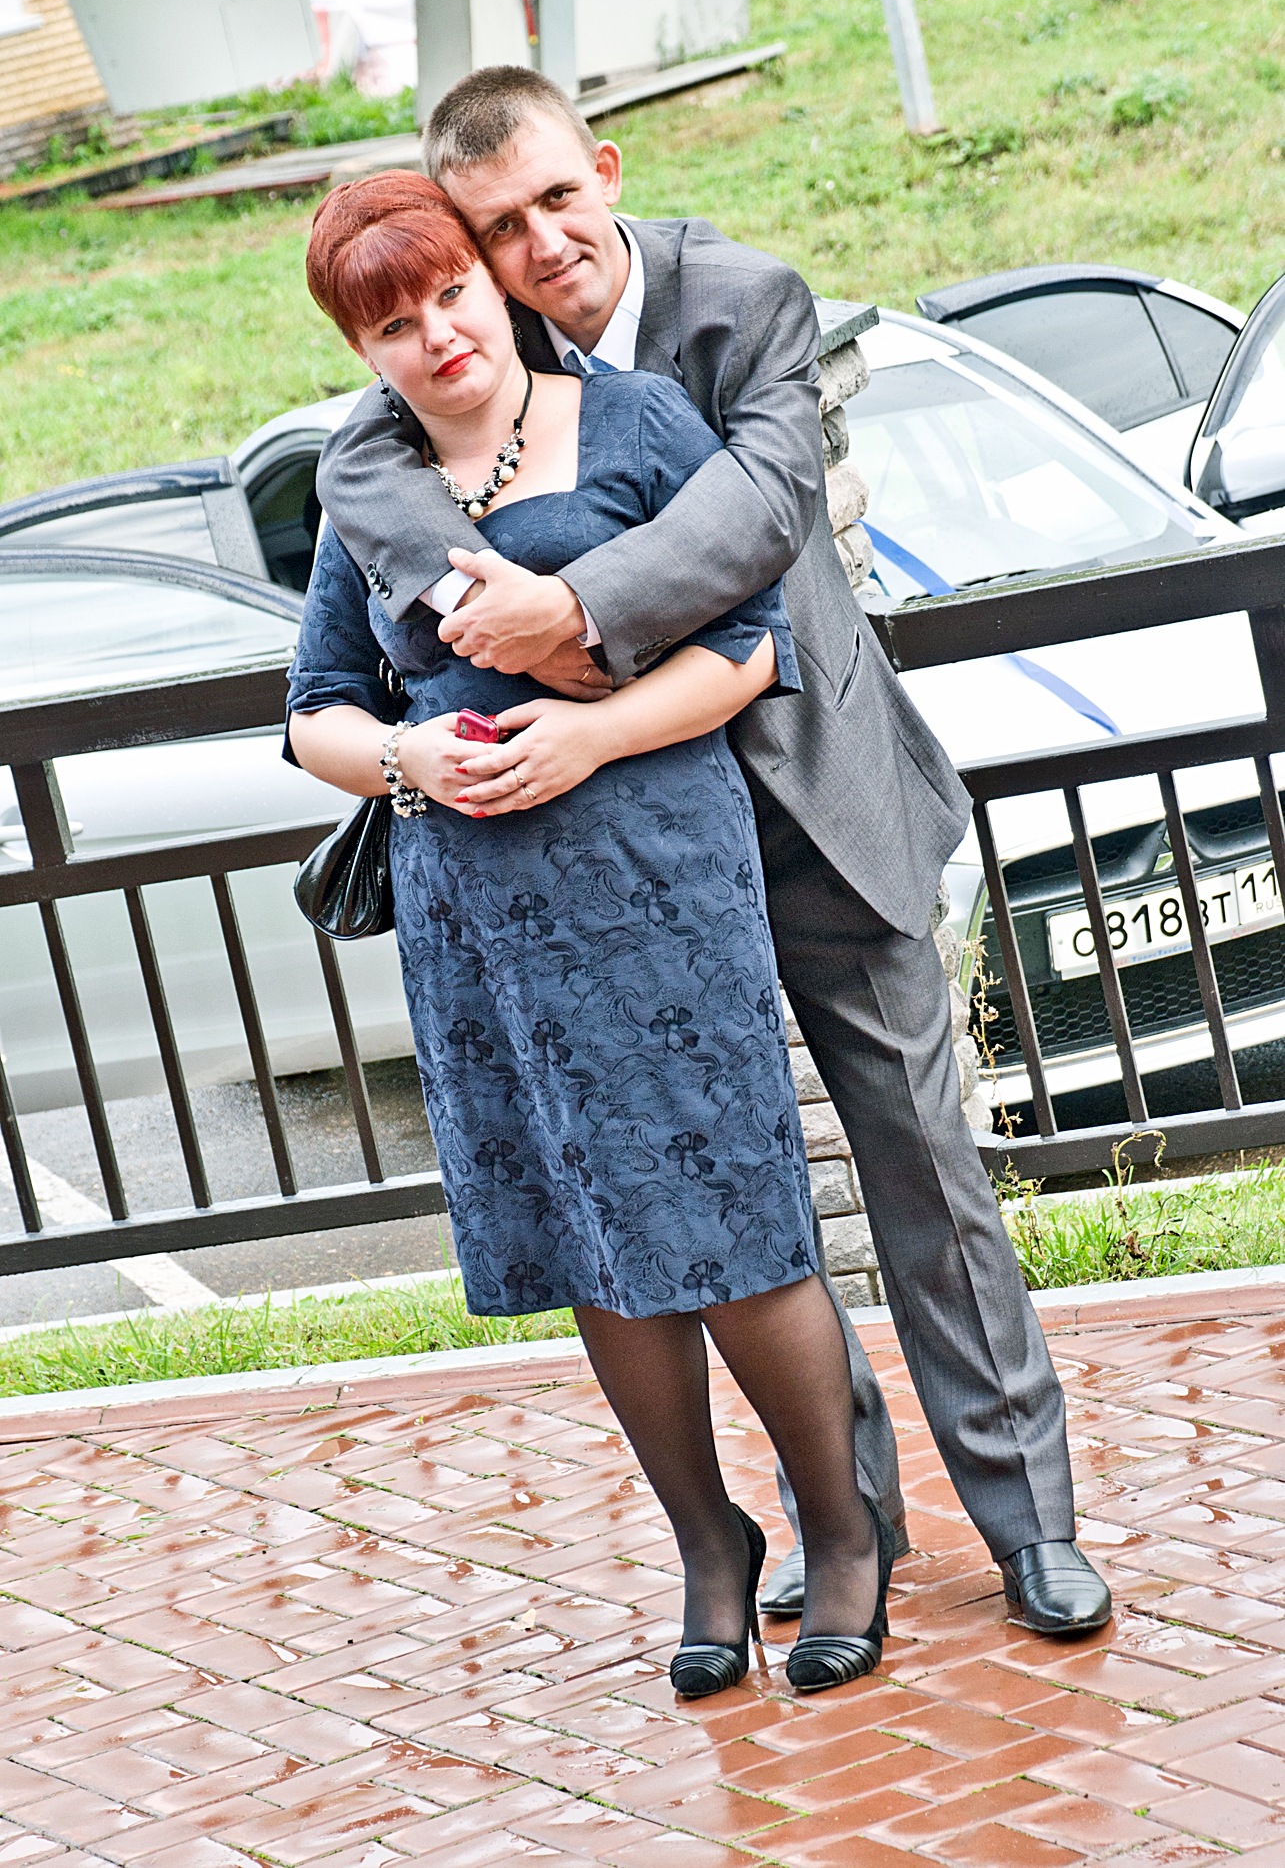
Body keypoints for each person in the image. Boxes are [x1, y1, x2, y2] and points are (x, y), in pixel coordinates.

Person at [314, 72, 1112, 1639]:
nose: (542, 245)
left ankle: (1031, 1526)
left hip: (812, 811)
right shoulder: (469, 338)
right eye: (500, 227)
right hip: (625, 874)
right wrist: (456, 624)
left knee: (919, 1172)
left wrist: (569, 618)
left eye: (558, 199)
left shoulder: (740, 302)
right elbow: (358, 472)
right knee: (747, 1210)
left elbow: (757, 512)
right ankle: (842, 1524)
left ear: (604, 171)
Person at [288, 170, 901, 1697]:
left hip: (656, 882)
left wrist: (590, 736)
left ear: (491, 286)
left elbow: (749, 653)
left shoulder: (632, 424)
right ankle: (708, 1545)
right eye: (393, 325)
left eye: (450, 296)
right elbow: (315, 713)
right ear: (360, 349)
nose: (437, 338)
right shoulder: (367, 489)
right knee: (590, 1243)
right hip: (480, 919)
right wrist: (406, 759)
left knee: (737, 1226)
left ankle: (840, 1532)